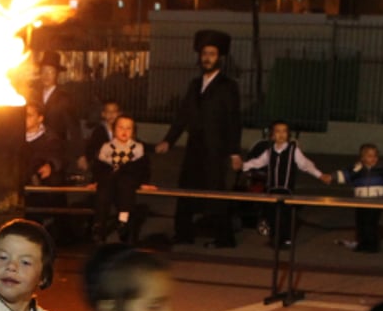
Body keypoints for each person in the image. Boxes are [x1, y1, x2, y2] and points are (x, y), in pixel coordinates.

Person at [159, 29, 242, 248]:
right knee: (186, 188)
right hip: (195, 146)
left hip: (216, 149)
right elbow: (183, 115)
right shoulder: (195, 85)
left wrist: (234, 152)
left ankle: (224, 238)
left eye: (212, 54)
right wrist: (169, 140)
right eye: (204, 53)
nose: (207, 58)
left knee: (215, 192)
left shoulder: (228, 86)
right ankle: (184, 233)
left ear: (220, 58)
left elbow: (234, 120)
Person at [232, 120, 332, 248]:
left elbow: (306, 165)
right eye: (278, 131)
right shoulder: (269, 151)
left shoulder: (293, 150)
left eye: (284, 131)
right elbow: (257, 162)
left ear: (288, 135)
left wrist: (320, 175)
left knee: (286, 216)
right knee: (271, 215)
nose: (281, 134)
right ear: (272, 135)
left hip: (286, 191)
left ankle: (286, 240)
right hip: (271, 190)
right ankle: (275, 238)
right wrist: (243, 166)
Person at [334, 144, 383, 253]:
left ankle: (372, 246)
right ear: (362, 158)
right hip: (360, 201)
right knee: (361, 222)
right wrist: (329, 177)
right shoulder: (356, 169)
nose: (373, 158)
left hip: (377, 201)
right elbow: (344, 175)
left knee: (371, 223)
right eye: (370, 156)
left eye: (375, 156)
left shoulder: (382, 168)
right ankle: (363, 243)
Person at [93, 114, 151, 243]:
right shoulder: (107, 147)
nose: (124, 131)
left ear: (133, 131)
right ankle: (100, 224)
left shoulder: (137, 148)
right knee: (104, 191)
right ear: (114, 130)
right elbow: (99, 167)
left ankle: (123, 220)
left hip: (128, 179)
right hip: (110, 179)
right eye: (120, 128)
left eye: (128, 128)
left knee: (125, 185)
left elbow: (143, 167)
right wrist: (96, 180)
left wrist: (144, 182)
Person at [33, 51, 82, 176]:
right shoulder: (34, 95)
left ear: (57, 74)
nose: (46, 76)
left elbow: (73, 127)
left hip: (57, 149)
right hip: (36, 147)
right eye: (43, 71)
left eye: (50, 72)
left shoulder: (65, 98)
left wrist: (79, 154)